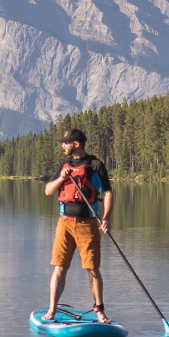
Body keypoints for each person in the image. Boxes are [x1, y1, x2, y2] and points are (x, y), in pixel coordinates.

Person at [42, 128, 113, 323]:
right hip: (64, 224)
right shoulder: (64, 165)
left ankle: (99, 310)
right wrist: (62, 177)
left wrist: (105, 218)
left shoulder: (95, 165)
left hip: (88, 224)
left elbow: (107, 192)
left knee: (93, 269)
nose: (62, 145)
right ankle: (52, 310)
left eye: (66, 142)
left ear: (77, 144)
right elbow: (48, 190)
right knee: (59, 268)